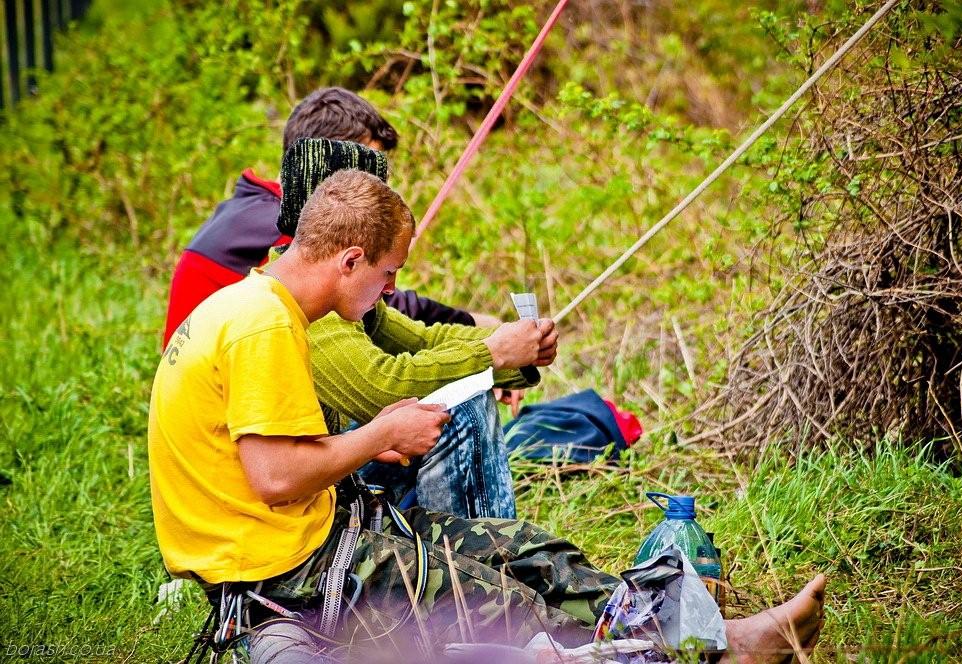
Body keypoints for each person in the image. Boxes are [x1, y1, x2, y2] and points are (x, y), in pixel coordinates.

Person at [150, 169, 826, 664]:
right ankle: (709, 650)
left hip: (314, 533)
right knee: (509, 605)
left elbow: (261, 455)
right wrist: (381, 433)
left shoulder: (262, 305)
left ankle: (714, 635)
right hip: (279, 569)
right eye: (388, 273)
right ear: (350, 260)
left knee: (532, 553)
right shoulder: (264, 325)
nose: (392, 288)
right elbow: (273, 477)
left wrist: (366, 444)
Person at [276, 137, 538, 520]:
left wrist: (518, 349)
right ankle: (481, 550)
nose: (391, 287)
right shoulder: (298, 309)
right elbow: (382, 388)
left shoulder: (332, 296)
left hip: (315, 481)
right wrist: (493, 353)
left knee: (454, 401)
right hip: (291, 518)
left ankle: (479, 545)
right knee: (456, 411)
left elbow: (421, 340)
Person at [162, 86, 497, 350]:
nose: (373, 188)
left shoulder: (256, 206)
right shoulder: (284, 230)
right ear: (324, 160)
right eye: (365, 172)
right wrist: (482, 332)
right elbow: (373, 313)